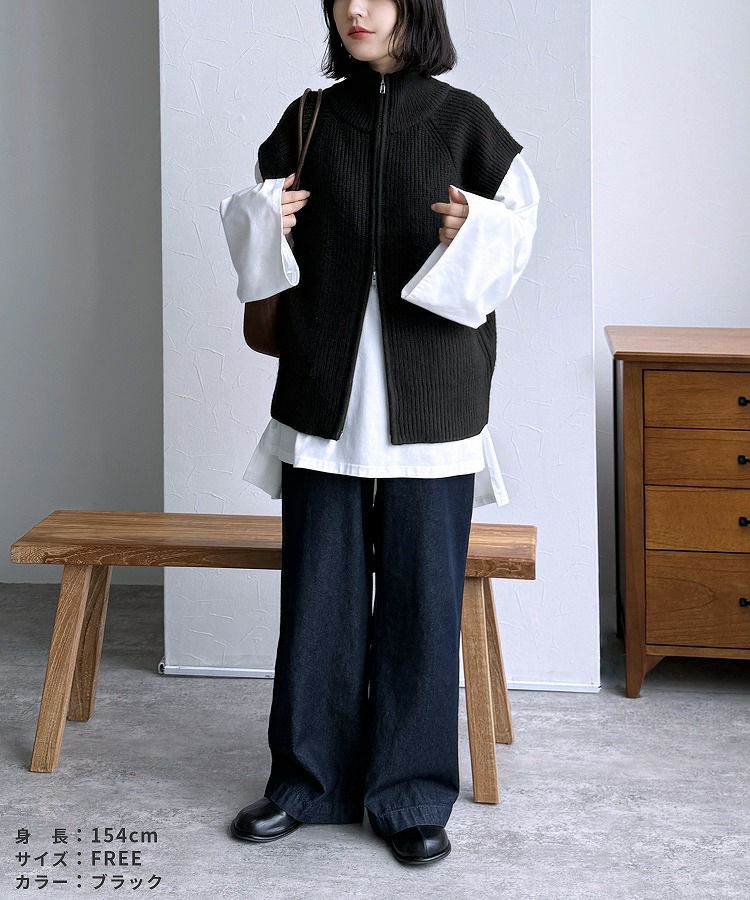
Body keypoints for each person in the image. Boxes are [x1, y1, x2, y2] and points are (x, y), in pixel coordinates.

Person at [219, 0, 539, 866]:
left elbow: (516, 238)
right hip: (325, 392)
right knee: (317, 595)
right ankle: (306, 782)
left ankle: (410, 794)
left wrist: (476, 232)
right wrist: (264, 223)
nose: (355, 9)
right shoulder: (308, 117)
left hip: (432, 396)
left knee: (422, 601)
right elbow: (254, 235)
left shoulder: (466, 122)